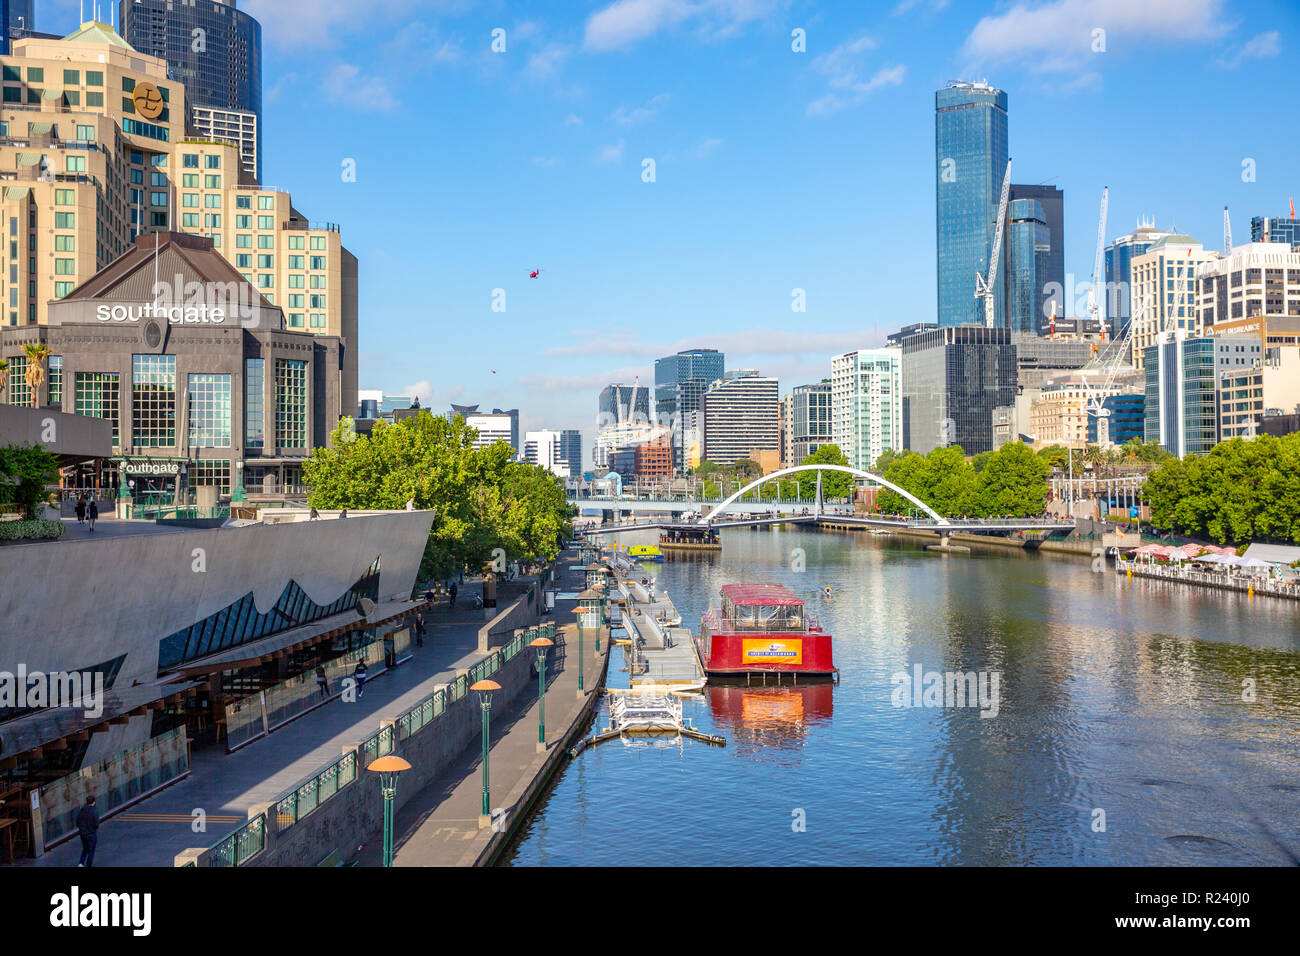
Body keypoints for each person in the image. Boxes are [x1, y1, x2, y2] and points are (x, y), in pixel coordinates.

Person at [76, 796, 99, 867]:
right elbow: (96, 823)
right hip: (91, 833)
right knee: (91, 851)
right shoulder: (94, 811)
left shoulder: (82, 810)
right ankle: (88, 865)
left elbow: (77, 821)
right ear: (93, 802)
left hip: (83, 833)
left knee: (85, 848)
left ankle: (81, 863)